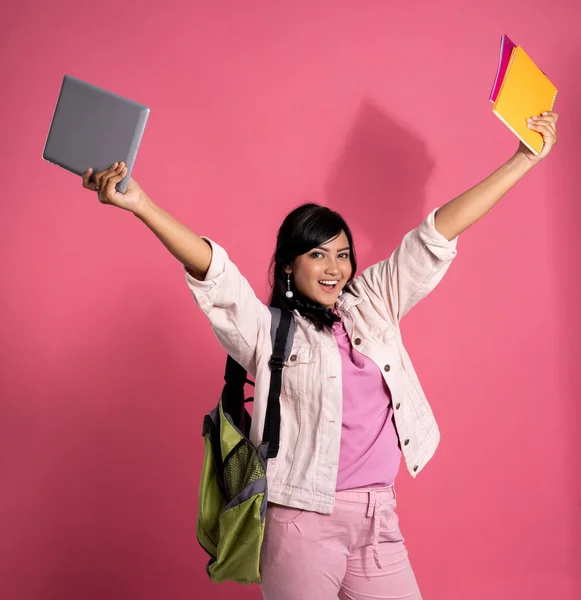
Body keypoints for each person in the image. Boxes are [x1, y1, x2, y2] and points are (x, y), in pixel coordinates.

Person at [81, 112, 558, 599]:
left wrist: (522, 159)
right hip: (302, 524)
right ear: (289, 263)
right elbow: (214, 273)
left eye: (343, 254)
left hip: (378, 519)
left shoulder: (373, 303)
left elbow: (435, 236)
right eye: (318, 254)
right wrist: (140, 204)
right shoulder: (269, 332)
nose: (335, 269)